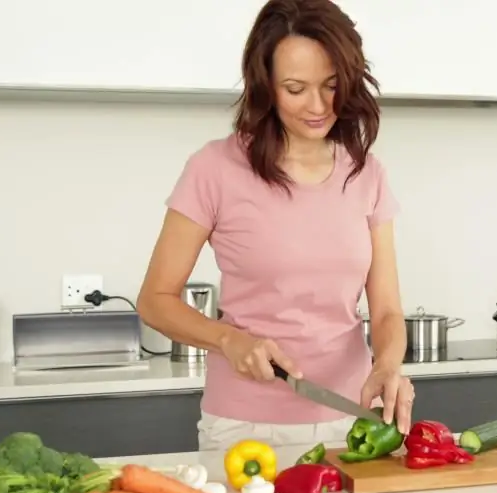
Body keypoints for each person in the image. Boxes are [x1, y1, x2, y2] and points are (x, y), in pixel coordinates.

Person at [136, 0, 414, 452]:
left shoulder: (367, 173)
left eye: (331, 85)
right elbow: (154, 300)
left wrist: (387, 365)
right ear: (265, 86)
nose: (319, 106)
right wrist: (229, 340)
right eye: (295, 88)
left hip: (352, 421)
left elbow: (385, 311)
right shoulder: (214, 168)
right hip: (245, 428)